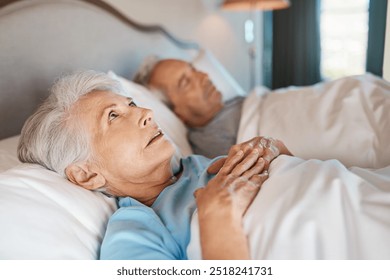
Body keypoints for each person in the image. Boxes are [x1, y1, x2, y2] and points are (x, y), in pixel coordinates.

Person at [17, 70, 292, 260]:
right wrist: (218, 217)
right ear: (87, 174)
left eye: (132, 104)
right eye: (113, 116)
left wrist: (277, 151)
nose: (146, 113)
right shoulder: (136, 229)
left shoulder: (196, 165)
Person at [134, 58, 244, 159]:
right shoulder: (210, 141)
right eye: (186, 82)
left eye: (194, 70)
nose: (205, 76)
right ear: (177, 113)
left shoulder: (234, 104)